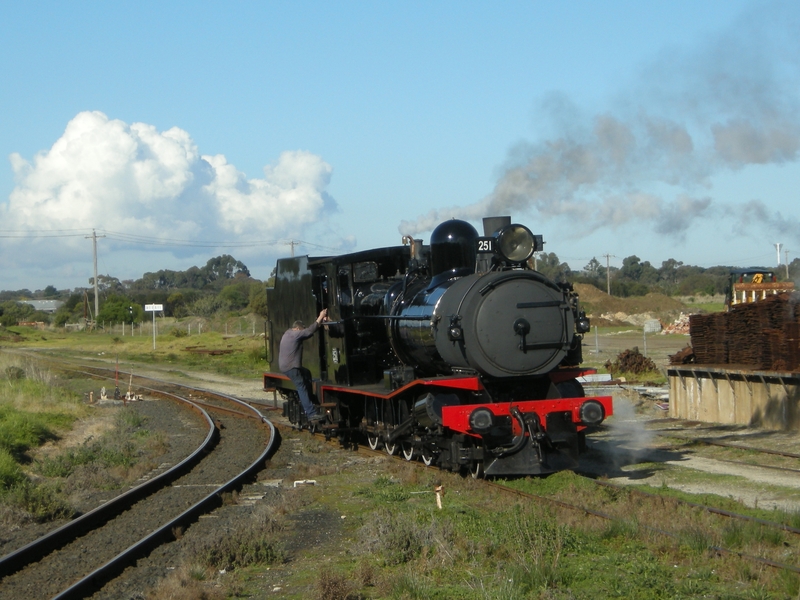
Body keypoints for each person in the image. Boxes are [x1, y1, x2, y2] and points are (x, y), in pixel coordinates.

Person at [279, 308, 328, 421]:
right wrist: (321, 317)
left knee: (306, 373)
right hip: (291, 367)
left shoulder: (287, 333)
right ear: (297, 328)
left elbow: (309, 331)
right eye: (301, 330)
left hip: (288, 366)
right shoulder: (294, 335)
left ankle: (311, 400)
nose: (301, 332)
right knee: (301, 387)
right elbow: (309, 332)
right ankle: (311, 413)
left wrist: (319, 323)